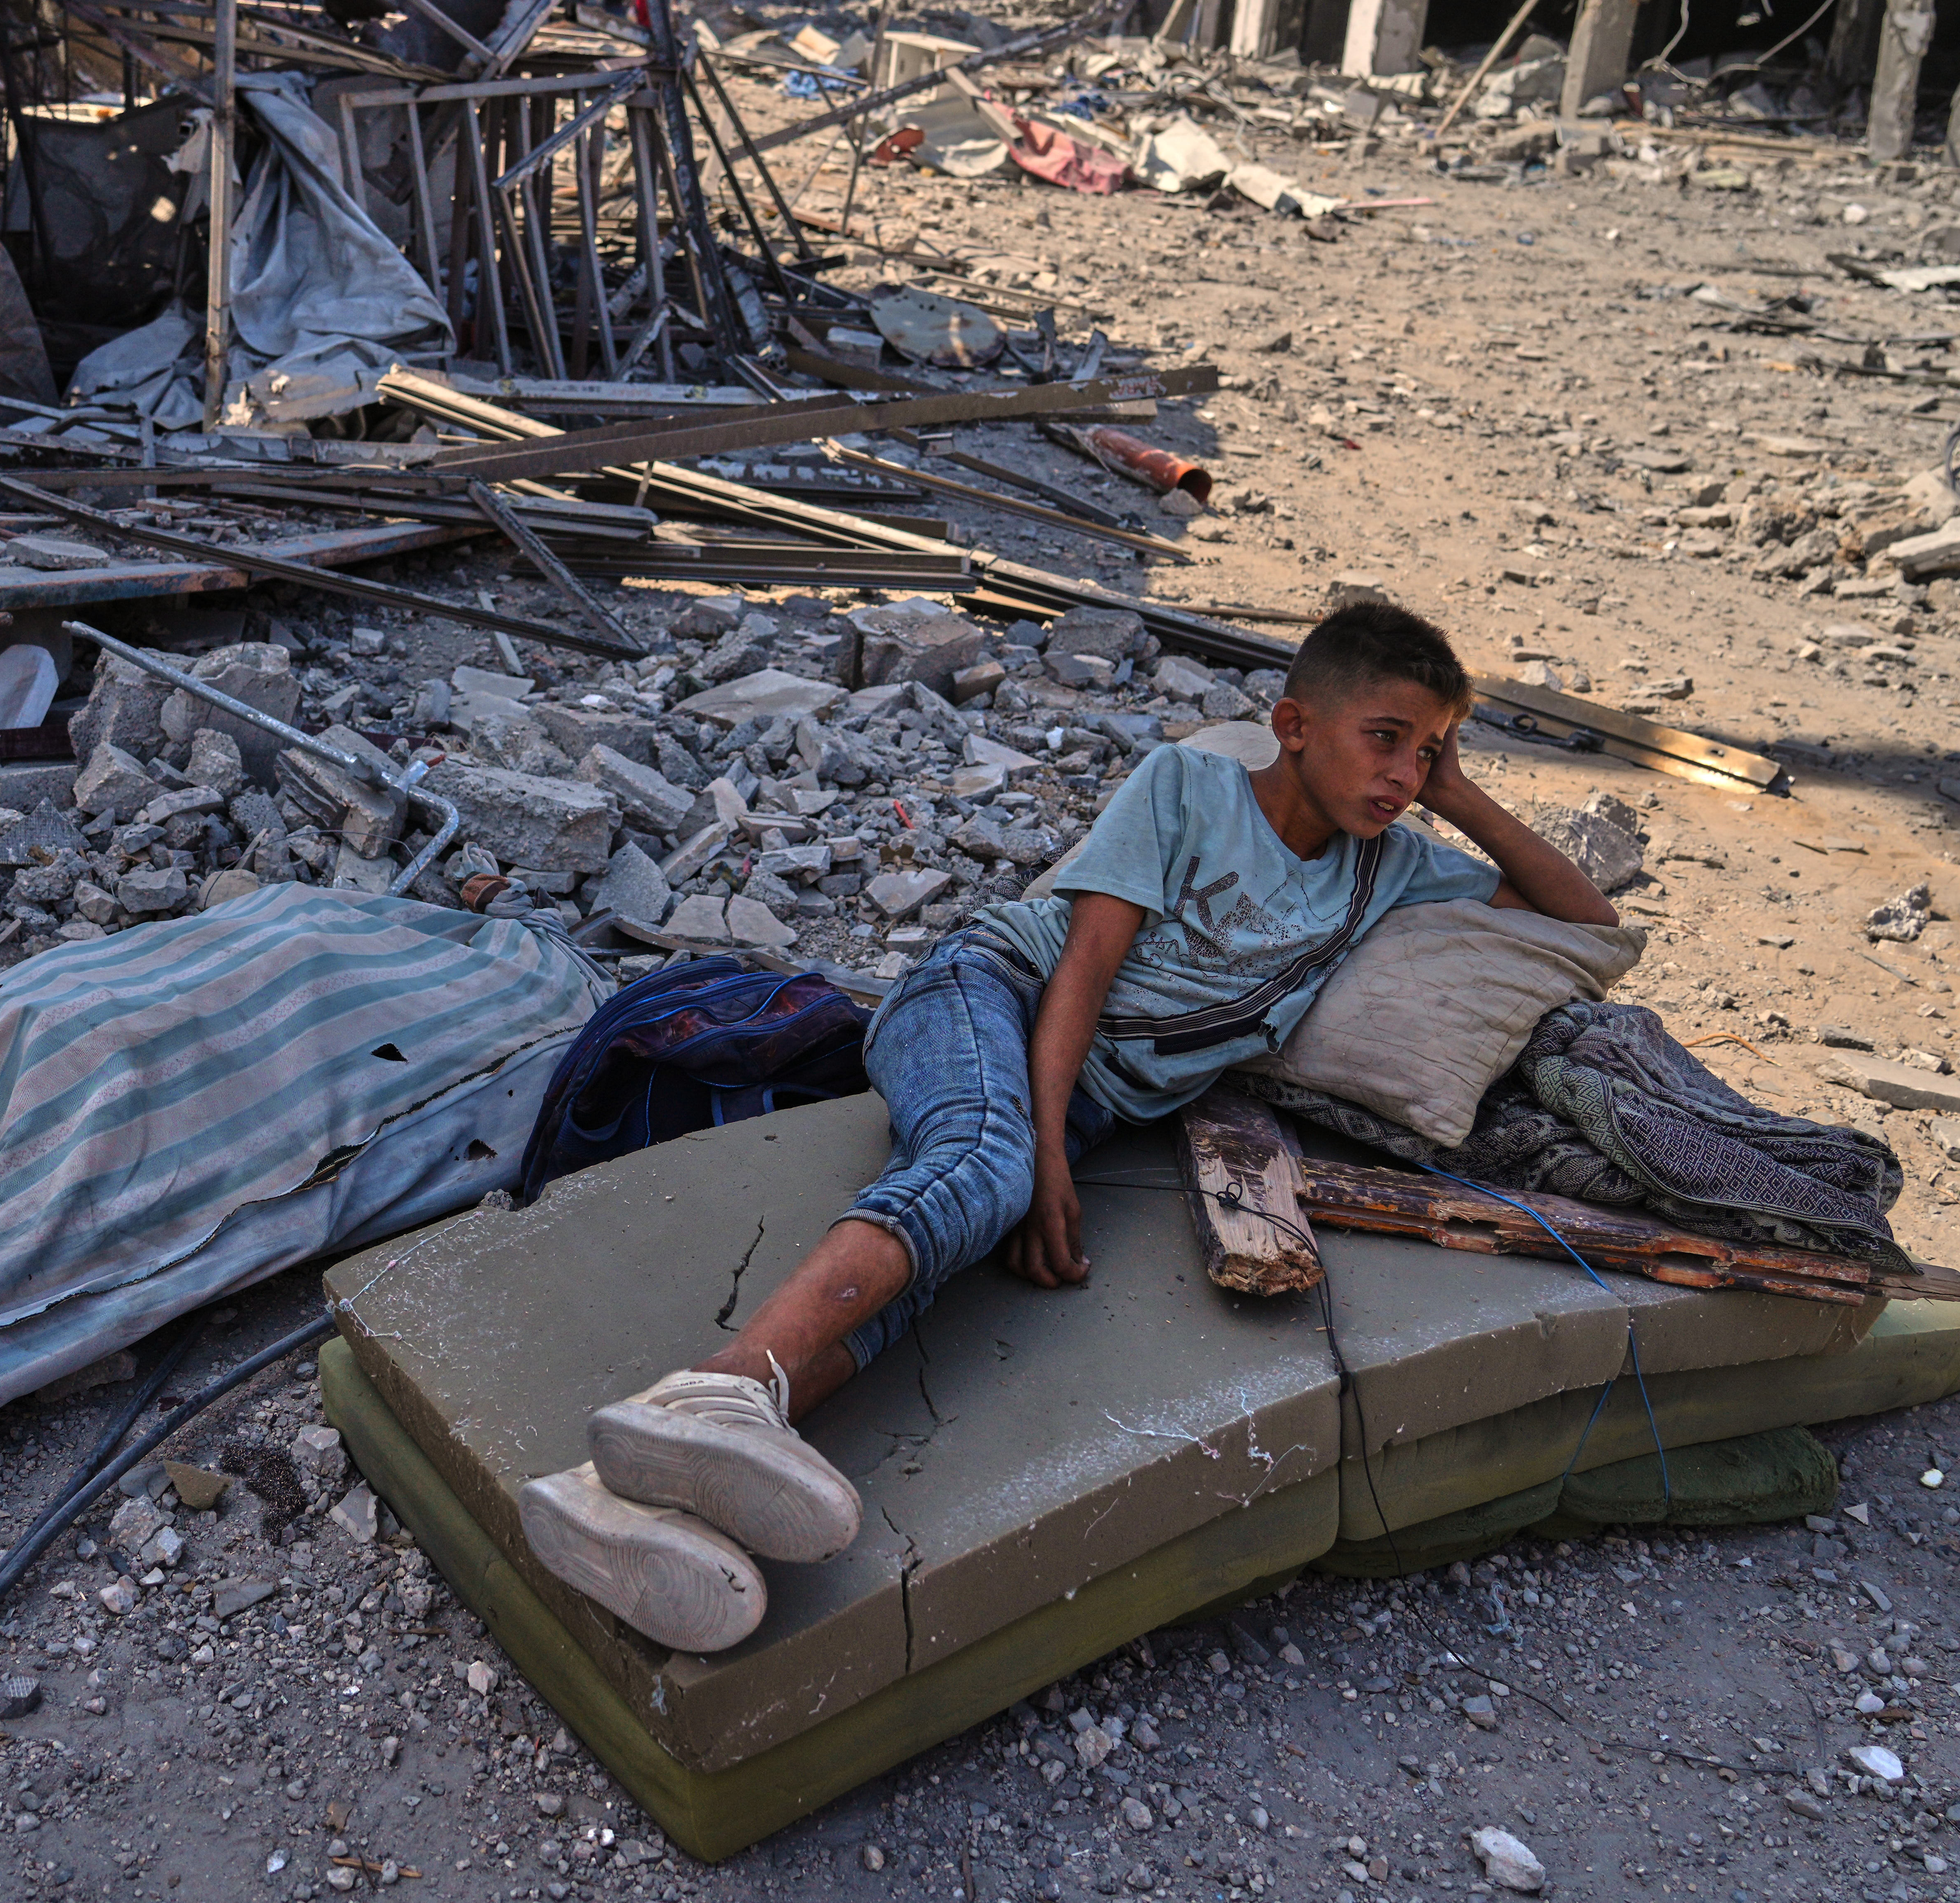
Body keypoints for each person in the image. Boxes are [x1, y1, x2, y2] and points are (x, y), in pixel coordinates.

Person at [515, 598, 1621, 1651]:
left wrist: (1459, 795)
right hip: (988, 990)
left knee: (938, 1274)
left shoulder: (1385, 867)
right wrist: (1045, 1155)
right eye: (1384, 737)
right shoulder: (1188, 787)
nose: (1403, 771)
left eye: (1425, 750)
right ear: (1293, 725)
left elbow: (1581, 914)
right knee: (982, 1170)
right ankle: (723, 1390)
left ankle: (618, 1493)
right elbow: (1082, 968)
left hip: (1091, 1099)